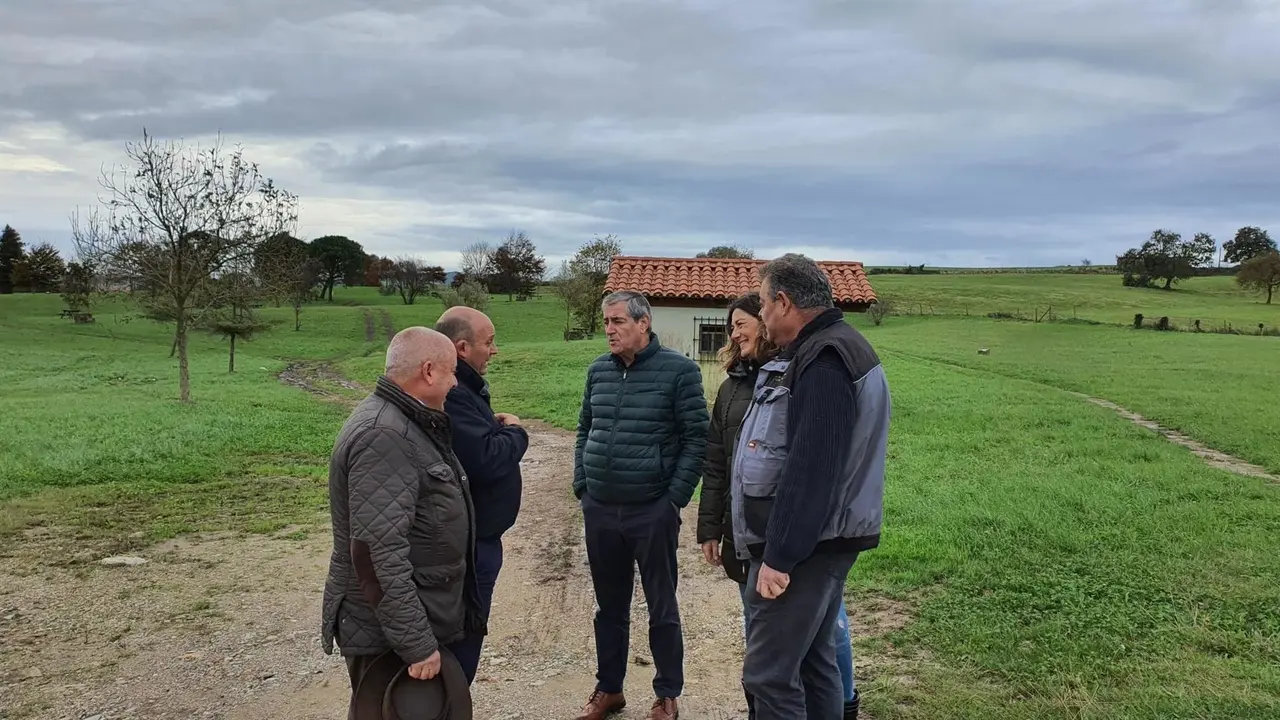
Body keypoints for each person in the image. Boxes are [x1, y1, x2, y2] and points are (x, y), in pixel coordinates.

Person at [733, 255, 890, 719]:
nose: (760, 316)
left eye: (762, 304)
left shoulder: (824, 359)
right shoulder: (837, 346)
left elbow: (812, 467)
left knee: (769, 675)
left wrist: (780, 557)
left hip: (807, 547)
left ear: (783, 302)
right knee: (816, 662)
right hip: (825, 540)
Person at [697, 291, 861, 719]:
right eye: (730, 326)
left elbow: (807, 468)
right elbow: (719, 462)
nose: (734, 332)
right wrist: (710, 526)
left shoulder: (804, 373)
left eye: (744, 321)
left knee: (780, 665)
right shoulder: (735, 385)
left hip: (787, 540)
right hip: (753, 535)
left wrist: (781, 552)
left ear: (774, 312)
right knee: (798, 653)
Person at [320, 326, 485, 718]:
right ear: (428, 371)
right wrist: (415, 642)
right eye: (451, 373)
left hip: (407, 618)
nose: (455, 384)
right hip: (388, 634)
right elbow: (376, 551)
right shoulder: (385, 435)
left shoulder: (407, 422)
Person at [572, 290, 710, 720]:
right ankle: (609, 689)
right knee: (608, 607)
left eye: (617, 321)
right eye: (606, 322)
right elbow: (583, 429)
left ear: (643, 323)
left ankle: (667, 694)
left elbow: (697, 439)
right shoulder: (598, 370)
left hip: (651, 510)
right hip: (601, 509)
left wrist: (672, 500)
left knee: (661, 606)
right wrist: (583, 486)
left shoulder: (680, 372)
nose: (609, 330)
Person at [434, 306, 530, 682]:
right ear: (461, 347)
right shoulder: (456, 392)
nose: (494, 350)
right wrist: (516, 432)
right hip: (472, 544)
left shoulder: (464, 388)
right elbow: (486, 459)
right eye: (488, 343)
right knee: (465, 636)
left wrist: (489, 426)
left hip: (479, 536)